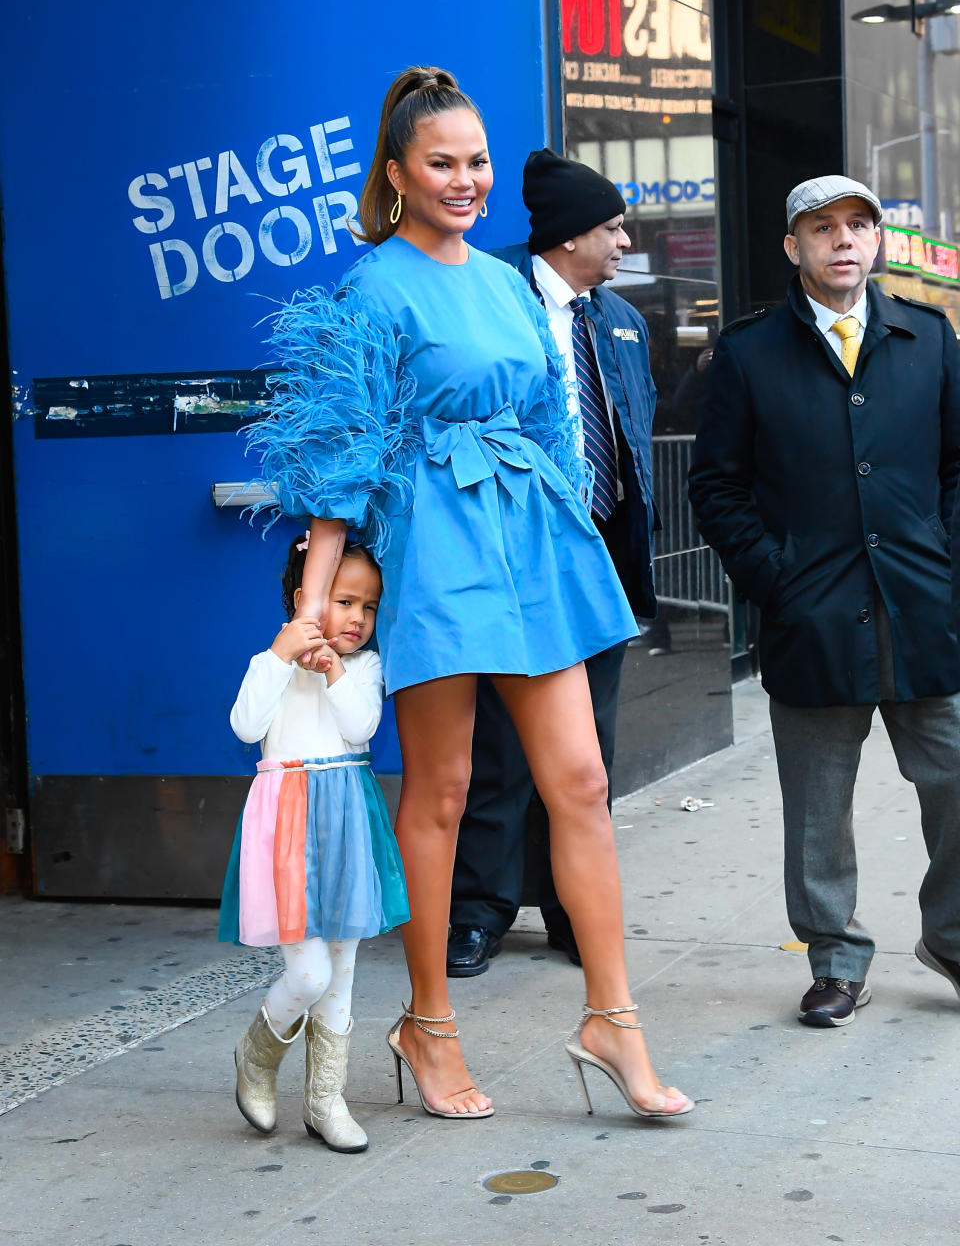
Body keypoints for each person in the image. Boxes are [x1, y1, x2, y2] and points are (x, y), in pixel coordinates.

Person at [246, 67, 693, 1120]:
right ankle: (430, 1020)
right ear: (397, 174)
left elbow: (547, 418)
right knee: (441, 790)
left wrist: (570, 527)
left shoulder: (504, 282)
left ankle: (613, 1018)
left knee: (581, 779)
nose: (466, 179)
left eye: (477, 161)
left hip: (531, 533)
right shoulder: (371, 286)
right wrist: (314, 605)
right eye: (442, 162)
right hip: (436, 540)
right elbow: (337, 458)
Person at [689, 174, 960, 1027]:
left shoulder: (931, 337)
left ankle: (951, 939)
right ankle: (837, 960)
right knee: (818, 807)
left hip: (925, 609)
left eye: (857, 224)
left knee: (956, 782)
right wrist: (776, 580)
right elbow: (718, 485)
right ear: (792, 247)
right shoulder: (748, 353)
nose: (843, 240)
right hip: (811, 616)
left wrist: (948, 566)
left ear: (876, 240)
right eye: (821, 227)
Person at [447, 148, 659, 979]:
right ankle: (480, 912)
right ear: (570, 234)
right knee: (499, 741)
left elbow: (633, 437)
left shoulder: (619, 318)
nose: (623, 241)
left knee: (586, 746)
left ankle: (572, 906)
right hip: (509, 549)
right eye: (611, 227)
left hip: (597, 553)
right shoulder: (491, 295)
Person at [218, 535, 408, 1149]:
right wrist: (280, 657)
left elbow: (361, 726)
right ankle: (258, 1052)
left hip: (348, 821)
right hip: (289, 828)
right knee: (309, 972)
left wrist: (332, 674)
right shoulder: (268, 662)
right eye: (343, 601)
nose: (356, 618)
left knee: (343, 969)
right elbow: (245, 726)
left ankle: (326, 1099)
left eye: (369, 607)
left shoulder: (365, 668)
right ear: (305, 599)